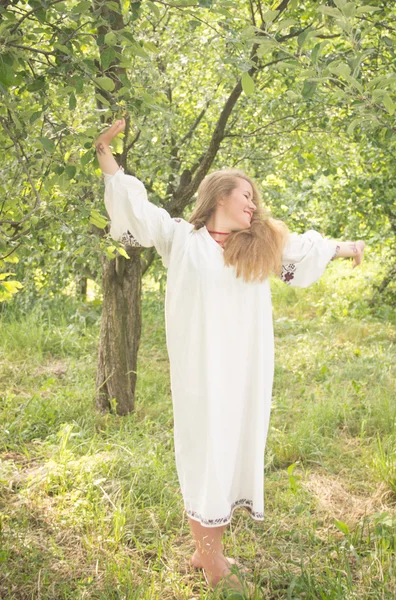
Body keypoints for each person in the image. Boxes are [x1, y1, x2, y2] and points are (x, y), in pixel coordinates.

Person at [94, 118, 366, 595]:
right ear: (220, 196)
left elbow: (306, 248)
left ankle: (206, 551)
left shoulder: (259, 246)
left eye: (254, 199)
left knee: (234, 448)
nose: (253, 205)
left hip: (245, 371)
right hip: (201, 372)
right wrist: (104, 153)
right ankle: (211, 556)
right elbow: (136, 209)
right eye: (245, 196)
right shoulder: (181, 239)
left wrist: (349, 248)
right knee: (205, 450)